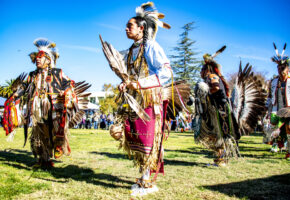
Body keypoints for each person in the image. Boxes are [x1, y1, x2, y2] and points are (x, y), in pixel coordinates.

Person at [103, 2, 172, 196]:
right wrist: (126, 83)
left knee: (148, 138)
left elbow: (166, 72)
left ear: (141, 29)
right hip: (134, 100)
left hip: (150, 99)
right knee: (133, 135)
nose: (125, 28)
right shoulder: (132, 50)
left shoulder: (151, 46)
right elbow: (132, 75)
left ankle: (148, 182)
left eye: (130, 25)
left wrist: (140, 84)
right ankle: (143, 177)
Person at [3, 38, 90, 168]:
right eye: (36, 57)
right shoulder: (32, 75)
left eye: (41, 57)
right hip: (37, 109)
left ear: (48, 60)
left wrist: (65, 92)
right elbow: (24, 87)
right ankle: (44, 160)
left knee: (55, 131)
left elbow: (68, 83)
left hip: (54, 108)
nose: (37, 59)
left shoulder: (57, 72)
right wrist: (16, 94)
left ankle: (58, 145)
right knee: (39, 136)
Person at [266, 43, 290, 161]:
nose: (280, 70)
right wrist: (268, 107)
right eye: (278, 68)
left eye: (283, 68)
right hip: (277, 109)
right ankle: (276, 144)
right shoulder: (274, 82)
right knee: (274, 129)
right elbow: (270, 96)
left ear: (288, 69)